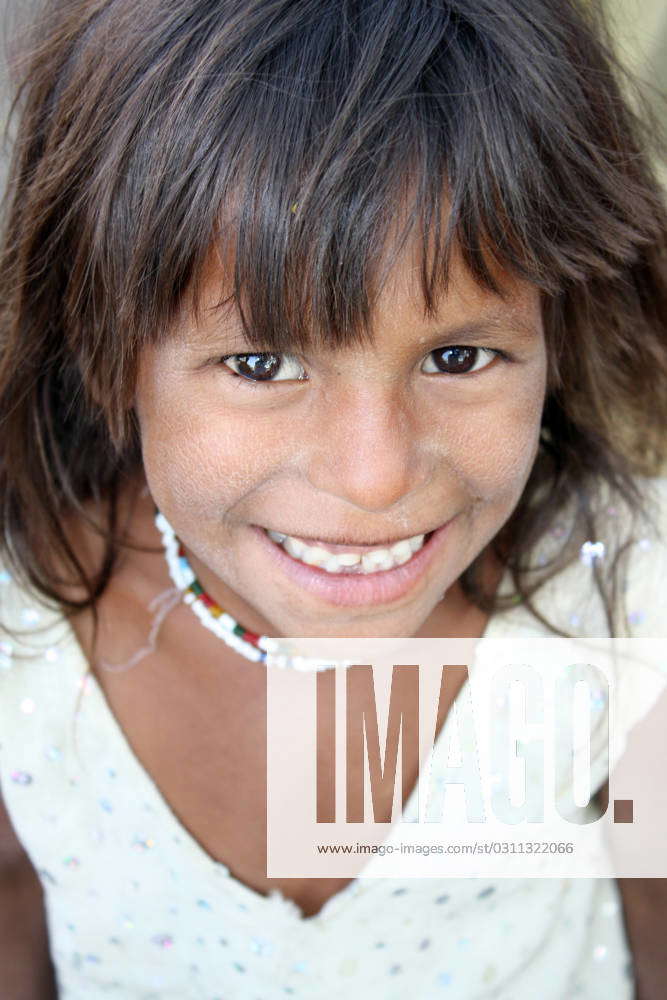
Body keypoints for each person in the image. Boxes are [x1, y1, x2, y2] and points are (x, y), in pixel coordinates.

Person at [0, 0, 666, 997]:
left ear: (556, 333)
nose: (375, 476)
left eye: (456, 355)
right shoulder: (25, 627)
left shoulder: (628, 599)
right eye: (260, 362)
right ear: (106, 344)